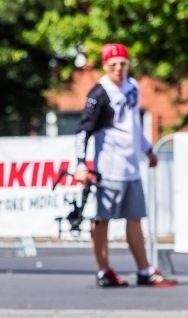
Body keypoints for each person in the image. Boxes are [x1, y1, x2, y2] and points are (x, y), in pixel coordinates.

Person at [74, 43, 177, 288]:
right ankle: (103, 270)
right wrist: (80, 164)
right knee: (102, 219)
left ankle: (144, 270)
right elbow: (82, 131)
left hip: (131, 166)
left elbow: (134, 125)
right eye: (113, 65)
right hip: (108, 166)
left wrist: (147, 149)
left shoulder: (133, 87)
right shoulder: (99, 93)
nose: (119, 69)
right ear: (105, 66)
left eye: (123, 64)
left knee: (134, 217)